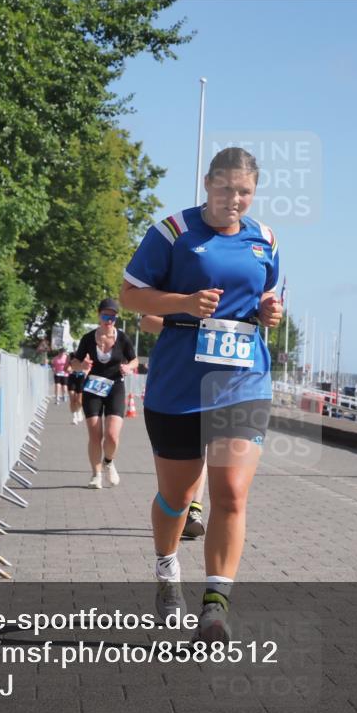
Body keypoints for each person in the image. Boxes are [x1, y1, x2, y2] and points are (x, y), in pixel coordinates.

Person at [120, 147, 282, 643]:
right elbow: (130, 295)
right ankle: (167, 571)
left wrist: (270, 311)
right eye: (226, 188)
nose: (235, 199)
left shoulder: (265, 239)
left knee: (230, 491)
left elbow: (265, 295)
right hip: (179, 384)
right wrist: (186, 303)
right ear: (208, 183)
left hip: (242, 380)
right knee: (178, 495)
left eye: (245, 192)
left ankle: (215, 607)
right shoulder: (173, 232)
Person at [140, 314, 206, 539]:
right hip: (177, 385)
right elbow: (146, 321)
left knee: (206, 450)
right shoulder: (177, 294)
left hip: (223, 383)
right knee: (175, 492)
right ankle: (168, 545)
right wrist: (187, 324)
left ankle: (195, 510)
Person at [70, 298, 138, 488]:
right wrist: (82, 365)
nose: (109, 320)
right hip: (93, 387)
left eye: (113, 317)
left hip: (115, 386)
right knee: (95, 435)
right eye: (105, 316)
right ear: (99, 316)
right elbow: (74, 363)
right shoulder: (88, 338)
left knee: (112, 435)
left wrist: (128, 367)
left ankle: (108, 461)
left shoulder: (122, 338)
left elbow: (134, 360)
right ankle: (96, 475)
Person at [66, 356, 86, 425]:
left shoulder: (85, 354)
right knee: (72, 399)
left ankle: (79, 411)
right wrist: (68, 368)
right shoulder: (70, 355)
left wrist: (86, 371)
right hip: (72, 377)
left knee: (79, 401)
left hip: (81, 377)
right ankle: (74, 417)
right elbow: (66, 367)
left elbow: (89, 366)